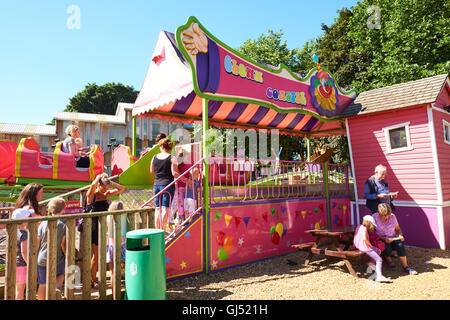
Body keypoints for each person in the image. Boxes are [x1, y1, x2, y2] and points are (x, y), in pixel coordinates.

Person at [85, 173, 126, 289]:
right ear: (99, 185)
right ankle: (92, 280)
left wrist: (110, 182)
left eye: (107, 188)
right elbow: (92, 186)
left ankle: (102, 278)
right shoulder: (92, 195)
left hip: (106, 229)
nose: (105, 190)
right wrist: (98, 177)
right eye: (103, 187)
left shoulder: (106, 194)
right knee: (96, 255)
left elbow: (122, 189)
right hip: (94, 228)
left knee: (106, 254)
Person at [373, 203, 418, 275]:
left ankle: (406, 266)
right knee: (386, 248)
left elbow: (398, 229)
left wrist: (400, 235)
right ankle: (389, 260)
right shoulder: (374, 217)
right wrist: (383, 238)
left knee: (400, 245)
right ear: (379, 213)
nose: (387, 216)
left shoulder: (392, 216)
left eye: (388, 214)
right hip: (381, 239)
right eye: (384, 215)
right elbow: (372, 233)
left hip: (393, 237)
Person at [37, 197, 67, 300]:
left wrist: (36, 254)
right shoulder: (63, 225)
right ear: (64, 210)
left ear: (50, 210)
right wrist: (66, 254)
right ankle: (57, 288)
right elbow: (63, 243)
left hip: (42, 258)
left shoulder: (42, 223)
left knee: (42, 283)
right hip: (57, 257)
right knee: (61, 274)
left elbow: (38, 241)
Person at [150, 137, 180, 231]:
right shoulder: (172, 158)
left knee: (158, 208)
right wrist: (185, 178)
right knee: (165, 208)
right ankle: (162, 229)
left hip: (157, 185)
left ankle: (157, 230)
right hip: (168, 185)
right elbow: (174, 173)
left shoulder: (154, 157)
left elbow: (152, 171)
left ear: (162, 146)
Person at [11, 207, 40, 299]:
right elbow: (24, 251)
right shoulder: (24, 234)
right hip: (22, 264)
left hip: (16, 262)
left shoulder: (15, 231)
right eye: (29, 216)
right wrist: (30, 264)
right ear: (25, 220)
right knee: (20, 289)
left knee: (18, 288)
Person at [354, 215, 391, 282]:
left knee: (378, 251)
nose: (372, 226)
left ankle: (371, 262)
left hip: (360, 246)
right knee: (379, 259)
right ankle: (379, 276)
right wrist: (370, 245)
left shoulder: (359, 226)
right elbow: (364, 239)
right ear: (369, 223)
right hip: (365, 247)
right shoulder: (365, 229)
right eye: (371, 224)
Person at [106, 200, 127, 290]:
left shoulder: (108, 217)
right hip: (123, 245)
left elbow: (108, 233)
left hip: (111, 246)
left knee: (113, 272)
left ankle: (114, 292)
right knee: (127, 268)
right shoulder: (125, 215)